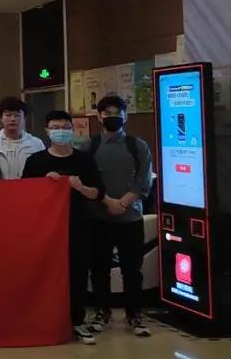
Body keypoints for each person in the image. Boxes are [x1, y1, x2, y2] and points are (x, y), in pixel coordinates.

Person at [23, 111, 105, 345]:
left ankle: (77, 321)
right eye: (55, 127)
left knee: (77, 273)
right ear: (47, 131)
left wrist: (80, 187)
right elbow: (24, 194)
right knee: (46, 274)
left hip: (78, 225)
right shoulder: (36, 161)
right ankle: (46, 320)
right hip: (45, 229)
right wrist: (44, 184)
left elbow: (98, 193)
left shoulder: (84, 160)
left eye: (65, 127)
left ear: (72, 130)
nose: (60, 131)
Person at [86, 95, 154, 337]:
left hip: (130, 218)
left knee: (132, 270)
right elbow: (87, 179)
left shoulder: (138, 146)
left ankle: (134, 314)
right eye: (107, 113)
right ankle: (101, 312)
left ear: (126, 116)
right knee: (99, 269)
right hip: (98, 217)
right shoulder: (89, 146)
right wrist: (108, 202)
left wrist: (122, 203)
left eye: (118, 113)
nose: (112, 117)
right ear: (99, 116)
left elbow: (143, 181)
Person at [0, 97, 46, 179]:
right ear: (1, 118)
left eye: (17, 115)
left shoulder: (36, 143)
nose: (12, 119)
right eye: (8, 115)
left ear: (24, 118)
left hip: (27, 186)